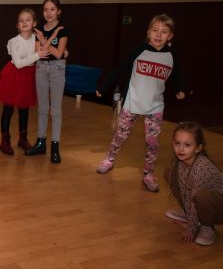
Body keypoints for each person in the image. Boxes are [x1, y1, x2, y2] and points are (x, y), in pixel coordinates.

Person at [96, 14, 186, 192]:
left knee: (153, 143)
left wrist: (180, 89)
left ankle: (148, 174)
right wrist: (104, 86)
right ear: (148, 33)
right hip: (133, 102)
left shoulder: (171, 56)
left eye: (164, 32)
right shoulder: (139, 51)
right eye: (155, 30)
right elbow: (120, 68)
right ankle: (109, 159)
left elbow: (177, 75)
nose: (158, 35)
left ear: (170, 36)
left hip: (155, 106)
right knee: (120, 135)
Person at [0, 8, 50, 155]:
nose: (24, 22)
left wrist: (63, 51)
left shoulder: (36, 39)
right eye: (21, 20)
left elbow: (48, 51)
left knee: (24, 108)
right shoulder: (13, 42)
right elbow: (19, 64)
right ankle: (4, 140)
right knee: (8, 108)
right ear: (17, 25)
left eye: (28, 20)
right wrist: (37, 55)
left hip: (29, 75)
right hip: (14, 75)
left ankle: (23, 138)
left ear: (34, 23)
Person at [25, 0, 69, 163]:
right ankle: (41, 143)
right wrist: (48, 43)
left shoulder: (62, 30)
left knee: (55, 110)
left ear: (59, 11)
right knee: (42, 108)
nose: (48, 13)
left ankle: (55, 147)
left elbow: (58, 54)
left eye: (52, 9)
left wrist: (45, 40)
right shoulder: (39, 30)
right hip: (41, 68)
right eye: (45, 9)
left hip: (57, 69)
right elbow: (40, 52)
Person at [164, 122, 223, 245]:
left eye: (187, 145)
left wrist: (191, 229)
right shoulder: (181, 162)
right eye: (177, 143)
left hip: (218, 209)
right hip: (201, 205)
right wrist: (190, 217)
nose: (181, 149)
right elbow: (187, 193)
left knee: (202, 195)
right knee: (169, 172)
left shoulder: (201, 167)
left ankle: (207, 227)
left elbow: (194, 198)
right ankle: (190, 216)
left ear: (198, 148)